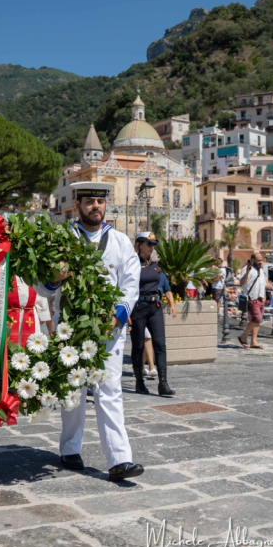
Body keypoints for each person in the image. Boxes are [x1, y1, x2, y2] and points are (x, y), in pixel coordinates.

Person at [44, 181, 143, 483]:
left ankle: (119, 459)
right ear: (77, 205)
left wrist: (119, 314)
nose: (95, 207)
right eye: (88, 201)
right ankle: (70, 448)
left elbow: (131, 283)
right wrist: (54, 277)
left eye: (99, 202)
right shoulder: (62, 238)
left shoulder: (121, 241)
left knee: (109, 391)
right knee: (73, 390)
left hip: (109, 329)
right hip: (70, 328)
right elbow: (41, 285)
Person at [129, 231, 177, 397]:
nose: (152, 247)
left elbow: (164, 286)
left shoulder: (155, 265)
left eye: (154, 244)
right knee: (138, 345)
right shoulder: (132, 263)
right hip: (138, 307)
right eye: (149, 244)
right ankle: (139, 382)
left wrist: (171, 304)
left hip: (155, 306)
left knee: (160, 344)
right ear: (140, 244)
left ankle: (163, 383)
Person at [238, 253, 267, 349]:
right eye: (258, 260)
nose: (260, 262)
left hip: (260, 298)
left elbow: (262, 284)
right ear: (252, 260)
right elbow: (242, 282)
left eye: (261, 260)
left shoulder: (260, 270)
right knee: (257, 319)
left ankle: (253, 342)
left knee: (257, 321)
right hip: (252, 297)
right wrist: (247, 272)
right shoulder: (247, 269)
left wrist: (264, 296)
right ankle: (244, 336)